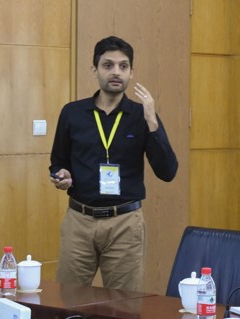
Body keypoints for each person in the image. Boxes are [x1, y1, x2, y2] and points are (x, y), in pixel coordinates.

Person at [49, 35, 178, 291]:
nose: (116, 72)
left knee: (123, 305)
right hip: (79, 220)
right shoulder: (72, 113)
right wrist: (61, 174)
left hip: (125, 223)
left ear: (131, 72)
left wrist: (153, 123)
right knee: (68, 300)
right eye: (108, 65)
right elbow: (58, 161)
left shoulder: (142, 116)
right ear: (95, 70)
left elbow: (168, 172)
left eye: (123, 66)